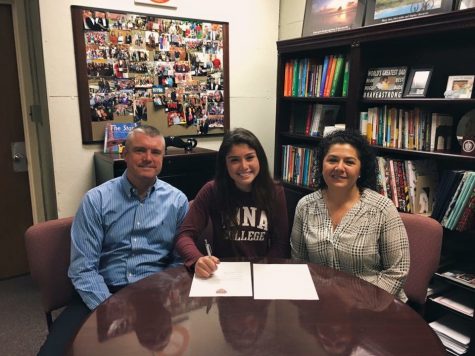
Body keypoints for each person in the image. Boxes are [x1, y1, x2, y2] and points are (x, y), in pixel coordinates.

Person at [38, 125, 188, 355]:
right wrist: (110, 306)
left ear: (163, 158)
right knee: (54, 352)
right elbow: (82, 269)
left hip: (153, 295)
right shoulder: (96, 200)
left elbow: (178, 261)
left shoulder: (177, 202)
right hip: (101, 292)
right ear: (125, 154)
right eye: (140, 150)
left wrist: (161, 297)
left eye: (156, 152)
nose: (148, 158)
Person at [290, 130, 410, 301]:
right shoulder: (305, 206)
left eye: (349, 162)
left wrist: (361, 305)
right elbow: (299, 262)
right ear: (322, 165)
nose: (339, 167)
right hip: (324, 302)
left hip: (375, 305)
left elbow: (397, 272)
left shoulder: (382, 209)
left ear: (361, 169)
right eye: (332, 160)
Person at [175, 128, 289, 278]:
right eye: (234, 160)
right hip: (223, 275)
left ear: (259, 159)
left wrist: (264, 269)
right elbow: (184, 236)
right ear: (225, 164)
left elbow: (280, 243)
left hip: (262, 273)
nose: (244, 166)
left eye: (249, 157)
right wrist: (198, 260)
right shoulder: (211, 190)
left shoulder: (275, 191)